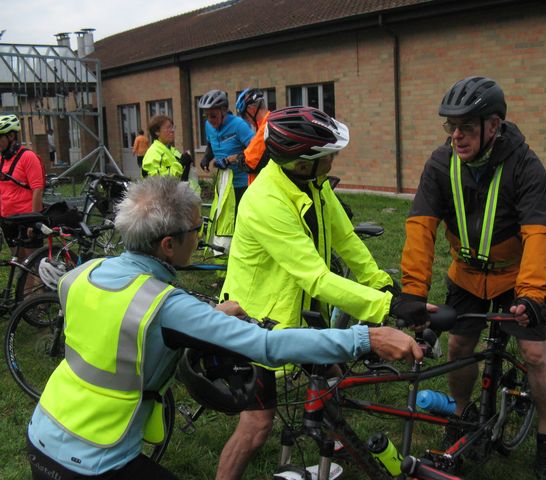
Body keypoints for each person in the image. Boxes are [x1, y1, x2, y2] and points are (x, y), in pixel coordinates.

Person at [26, 176, 422, 480]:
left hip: (44, 430)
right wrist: (368, 336)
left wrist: (208, 314)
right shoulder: (167, 306)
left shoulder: (80, 274)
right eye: (195, 231)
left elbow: (121, 319)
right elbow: (266, 345)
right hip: (95, 456)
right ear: (168, 244)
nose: (199, 238)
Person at [216, 106, 433, 479]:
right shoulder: (265, 201)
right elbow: (315, 277)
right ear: (304, 162)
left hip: (301, 315)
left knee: (333, 382)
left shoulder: (311, 184)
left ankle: (329, 446)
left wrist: (384, 285)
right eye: (328, 154)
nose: (334, 159)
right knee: (256, 426)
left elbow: (346, 239)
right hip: (256, 324)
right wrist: (386, 307)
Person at [399, 76, 546, 478]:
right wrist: (414, 293)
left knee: (535, 355)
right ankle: (460, 411)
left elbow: (538, 233)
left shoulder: (525, 164)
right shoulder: (440, 164)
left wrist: (534, 296)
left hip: (515, 278)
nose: (457, 137)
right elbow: (421, 228)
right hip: (467, 276)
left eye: (467, 128)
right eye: (451, 128)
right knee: (458, 349)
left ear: (494, 125)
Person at [0, 114, 45, 258]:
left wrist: (34, 220)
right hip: (8, 219)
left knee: (31, 265)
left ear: (11, 136)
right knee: (18, 262)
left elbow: (37, 189)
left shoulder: (28, 157)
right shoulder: (1, 159)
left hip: (26, 218)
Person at [198, 90, 254, 204]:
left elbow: (256, 151)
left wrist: (230, 160)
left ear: (223, 110)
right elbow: (211, 144)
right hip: (223, 184)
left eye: (213, 116)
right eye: (206, 116)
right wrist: (206, 158)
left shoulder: (239, 125)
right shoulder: (208, 125)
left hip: (242, 184)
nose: (209, 120)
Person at [141, 115, 200, 195]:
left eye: (173, 127)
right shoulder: (153, 154)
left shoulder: (171, 149)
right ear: (157, 132)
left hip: (179, 200)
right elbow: (159, 183)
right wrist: (180, 164)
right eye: (168, 127)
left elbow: (181, 176)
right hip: (163, 203)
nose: (172, 130)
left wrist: (187, 164)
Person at [235, 88, 270, 185]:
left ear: (251, 110)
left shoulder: (265, 128)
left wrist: (238, 158)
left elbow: (248, 164)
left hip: (262, 191)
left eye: (244, 116)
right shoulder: (268, 123)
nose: (246, 120)